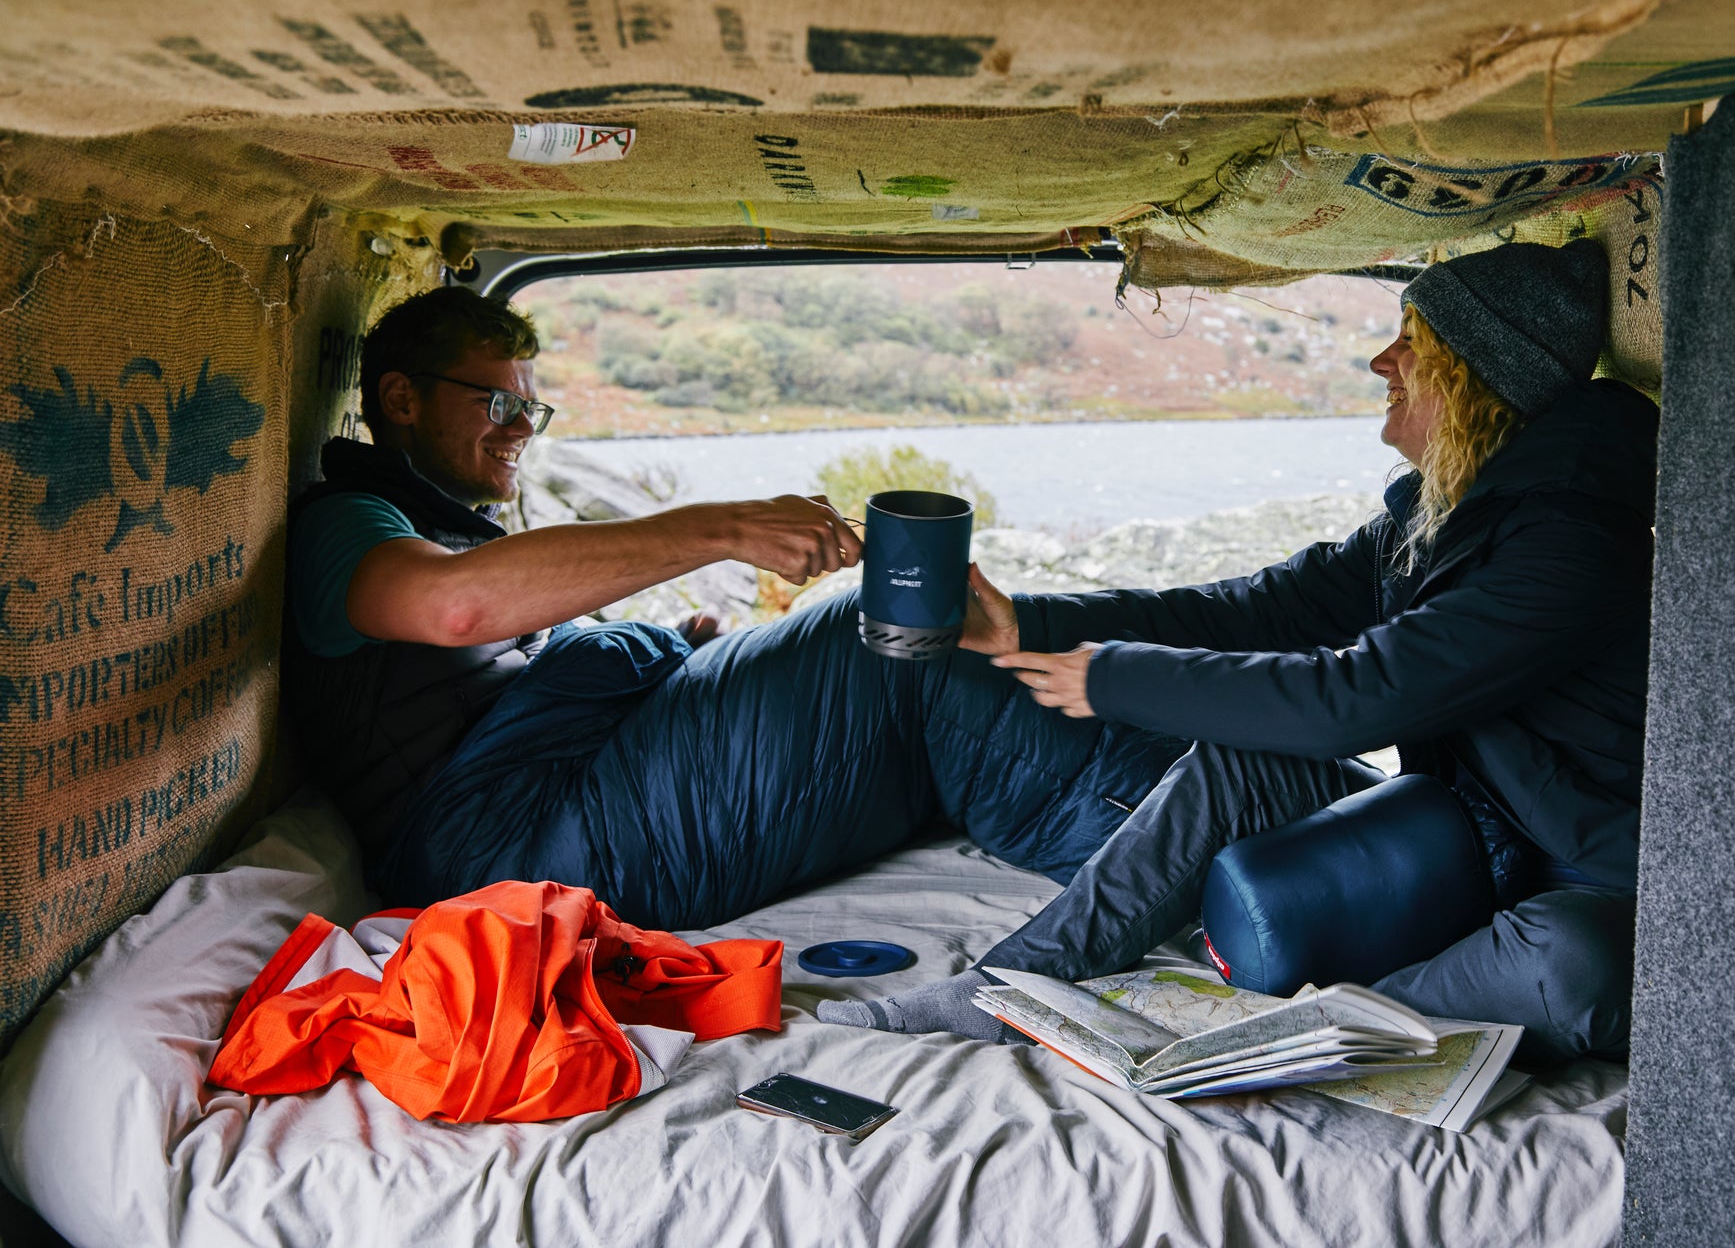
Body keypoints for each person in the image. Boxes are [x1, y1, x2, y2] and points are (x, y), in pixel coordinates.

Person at [819, 237, 1657, 1065]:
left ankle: (1273, 1043)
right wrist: (1028, 629)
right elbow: (1250, 612)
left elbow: (1361, 696)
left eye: (1414, 343)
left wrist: (1109, 679)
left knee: (1572, 962)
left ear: (1478, 379)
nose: (1381, 361)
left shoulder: (1570, 544)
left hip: (1572, 884)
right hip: (1462, 834)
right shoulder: (1431, 522)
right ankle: (1010, 990)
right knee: (1238, 761)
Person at [285, 287, 1187, 930]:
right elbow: (451, 611)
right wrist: (719, 527)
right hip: (501, 854)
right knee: (880, 641)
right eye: (495, 403)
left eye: (532, 408)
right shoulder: (349, 524)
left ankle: (1199, 768)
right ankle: (1187, 845)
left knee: (899, 640)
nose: (521, 429)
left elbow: (500, 654)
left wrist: (663, 660)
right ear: (400, 399)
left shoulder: (451, 526)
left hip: (557, 789)